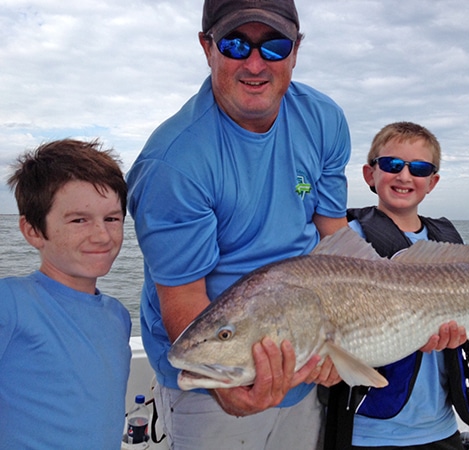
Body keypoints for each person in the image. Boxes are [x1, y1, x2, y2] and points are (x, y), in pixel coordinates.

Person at [126, 0, 351, 448]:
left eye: (274, 46)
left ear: (296, 50)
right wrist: (224, 387)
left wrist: (342, 341)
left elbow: (337, 245)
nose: (254, 63)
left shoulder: (324, 120)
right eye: (235, 44)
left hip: (305, 354)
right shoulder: (174, 165)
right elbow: (185, 298)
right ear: (207, 48)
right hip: (215, 379)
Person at [324, 122, 469, 449]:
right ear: (368, 174)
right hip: (363, 432)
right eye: (391, 165)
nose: (404, 176)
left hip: (441, 430)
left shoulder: (451, 247)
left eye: (419, 168)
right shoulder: (348, 241)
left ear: (432, 182)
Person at [0, 139, 132, 449]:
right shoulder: (11, 304)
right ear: (33, 230)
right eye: (79, 220)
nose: (101, 235)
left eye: (112, 218)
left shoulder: (118, 316)